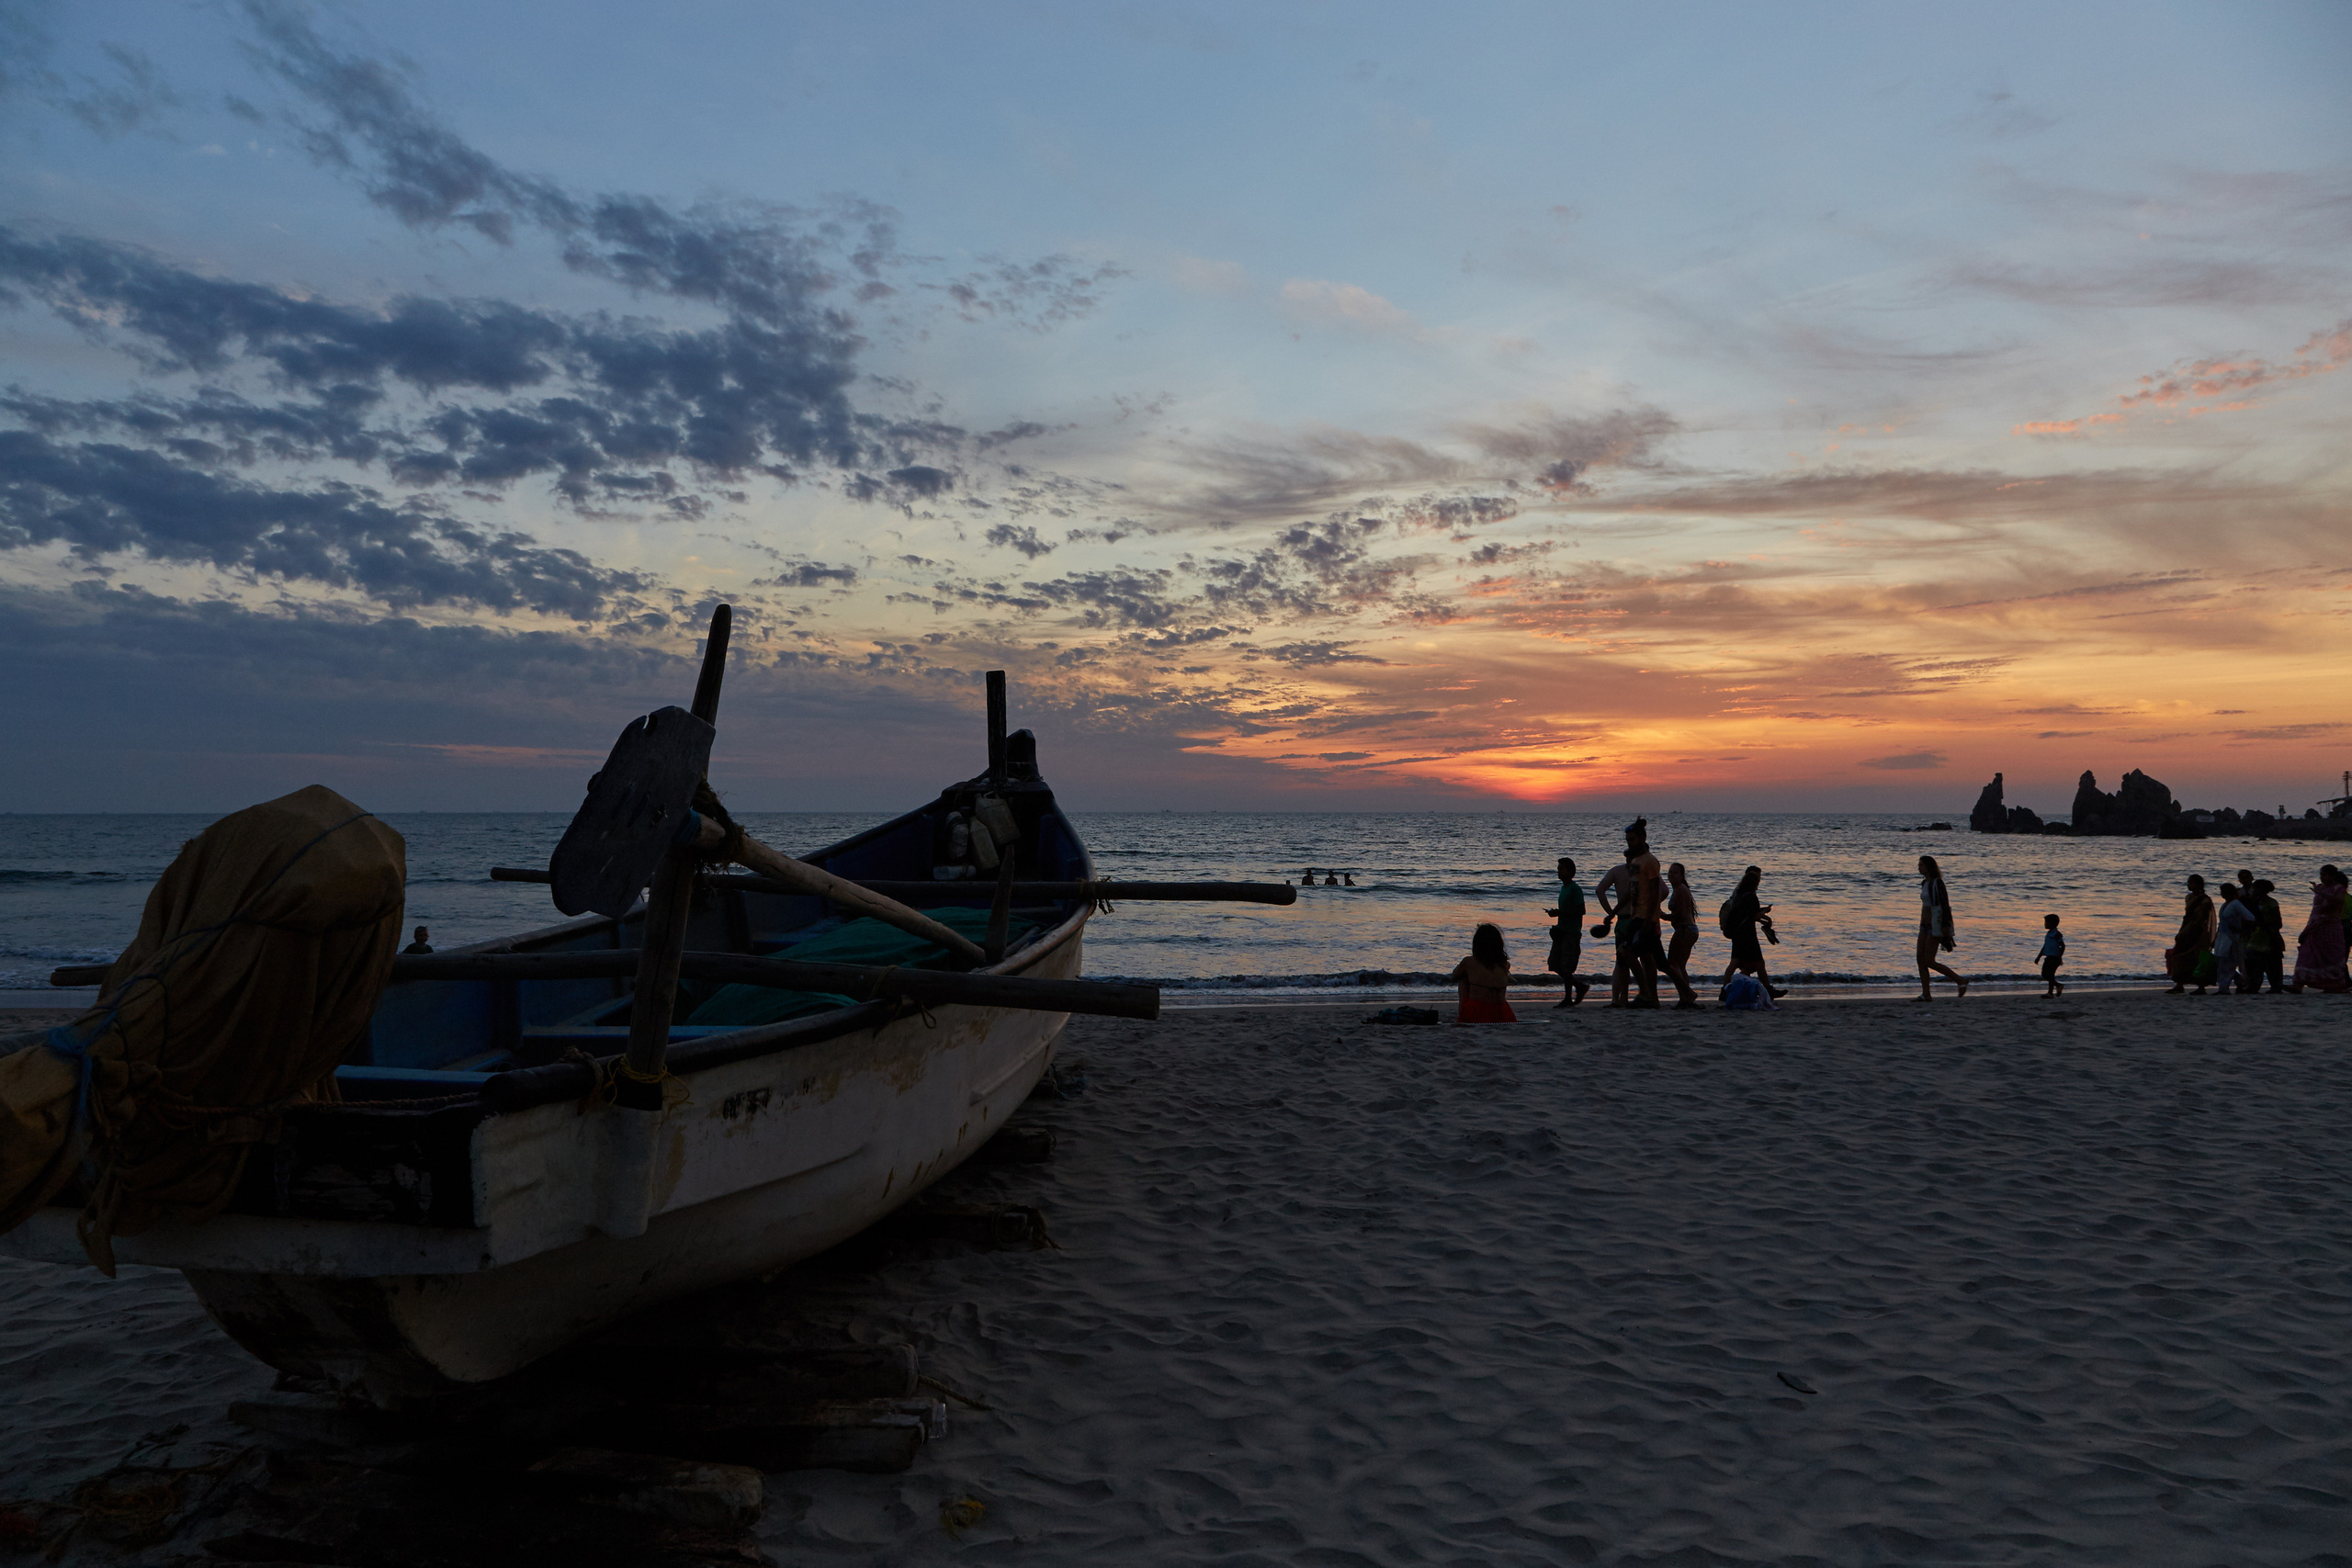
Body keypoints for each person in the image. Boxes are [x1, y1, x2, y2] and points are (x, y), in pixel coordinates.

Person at [1717, 865, 1785, 998]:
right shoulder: (1751, 897)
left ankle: (1725, 990)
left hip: (1737, 934)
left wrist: (1762, 913)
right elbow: (1755, 916)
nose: (1758, 887)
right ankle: (1768, 991)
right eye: (1757, 883)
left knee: (1735, 962)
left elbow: (1747, 915)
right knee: (1759, 963)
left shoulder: (1738, 895)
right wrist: (1766, 913)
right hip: (1748, 936)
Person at [2287, 865, 2351, 994]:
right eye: (2321, 874)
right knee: (2307, 953)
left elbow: (2338, 901)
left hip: (2330, 927)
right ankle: (2297, 984)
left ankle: (2333, 985)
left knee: (2330, 956)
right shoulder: (2320, 887)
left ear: (2332, 876)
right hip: (2315, 925)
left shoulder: (2339, 889)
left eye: (2324, 875)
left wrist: (2320, 893)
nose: (2322, 877)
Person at [1914, 855, 1967, 1000]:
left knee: (1929, 960)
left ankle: (1960, 980)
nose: (1919, 867)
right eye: (1919, 865)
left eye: (1922, 865)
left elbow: (1944, 905)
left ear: (1929, 867)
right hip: (1923, 925)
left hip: (1935, 925)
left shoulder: (1938, 883)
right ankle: (1926, 994)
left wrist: (1945, 926)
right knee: (1920, 959)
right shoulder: (1924, 883)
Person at [1543, 857, 1593, 1008]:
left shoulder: (1575, 889)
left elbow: (1581, 910)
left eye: (1562, 868)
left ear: (1571, 871)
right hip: (1562, 930)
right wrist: (1557, 914)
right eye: (1558, 868)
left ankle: (1568, 997)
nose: (1559, 871)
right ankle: (1579, 986)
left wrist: (1560, 913)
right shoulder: (1564, 888)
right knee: (1554, 963)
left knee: (1566, 966)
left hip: (1571, 932)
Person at [1451, 922, 1520, 1023]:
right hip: (1502, 1012)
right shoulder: (1505, 964)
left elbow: (1454, 976)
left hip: (1477, 1011)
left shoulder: (1469, 962)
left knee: (1463, 978)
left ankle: (1462, 1018)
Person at [2166, 874, 2215, 994]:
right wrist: (2183, 931)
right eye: (2188, 883)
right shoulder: (2188, 897)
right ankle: (2179, 984)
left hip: (2198, 931)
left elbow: (2202, 917)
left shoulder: (2205, 899)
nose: (2188, 885)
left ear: (2198, 885)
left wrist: (2193, 929)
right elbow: (2187, 916)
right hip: (2186, 929)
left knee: (2197, 958)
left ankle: (2201, 986)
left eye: (2191, 883)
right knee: (2179, 956)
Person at [1662, 863, 1702, 1009]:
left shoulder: (1680, 890)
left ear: (1682, 876)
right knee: (1680, 965)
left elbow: (1681, 914)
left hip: (1685, 929)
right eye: (1670, 872)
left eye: (1675, 873)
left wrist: (1664, 916)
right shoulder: (1679, 889)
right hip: (1688, 929)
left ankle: (1687, 993)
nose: (1671, 875)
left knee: (1671, 963)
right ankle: (1686, 997)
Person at [2245, 878, 2286, 994]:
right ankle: (2253, 986)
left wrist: (2263, 924)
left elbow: (2278, 923)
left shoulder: (2272, 903)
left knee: (2272, 964)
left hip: (2269, 936)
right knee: (2253, 963)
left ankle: (2275, 987)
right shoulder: (2254, 903)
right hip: (2256, 936)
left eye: (2255, 888)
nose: (2253, 890)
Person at [2211, 886, 2254, 995]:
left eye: (2224, 892)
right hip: (2222, 937)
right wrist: (2215, 937)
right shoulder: (2225, 905)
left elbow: (2250, 918)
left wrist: (2241, 929)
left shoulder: (2236, 904)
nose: (2222, 894)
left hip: (2232, 938)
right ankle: (2236, 982)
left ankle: (2224, 987)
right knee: (2220, 962)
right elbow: (2221, 923)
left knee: (2229, 963)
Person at [2036, 913, 2065, 997]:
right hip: (2048, 956)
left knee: (2047, 975)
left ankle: (2055, 988)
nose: (2045, 924)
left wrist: (2059, 957)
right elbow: (2045, 946)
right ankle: (2052, 991)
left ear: (2052, 923)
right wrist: (2039, 956)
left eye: (2046, 922)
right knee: (2048, 975)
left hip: (2054, 957)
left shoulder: (2056, 934)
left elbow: (2062, 945)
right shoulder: (2049, 933)